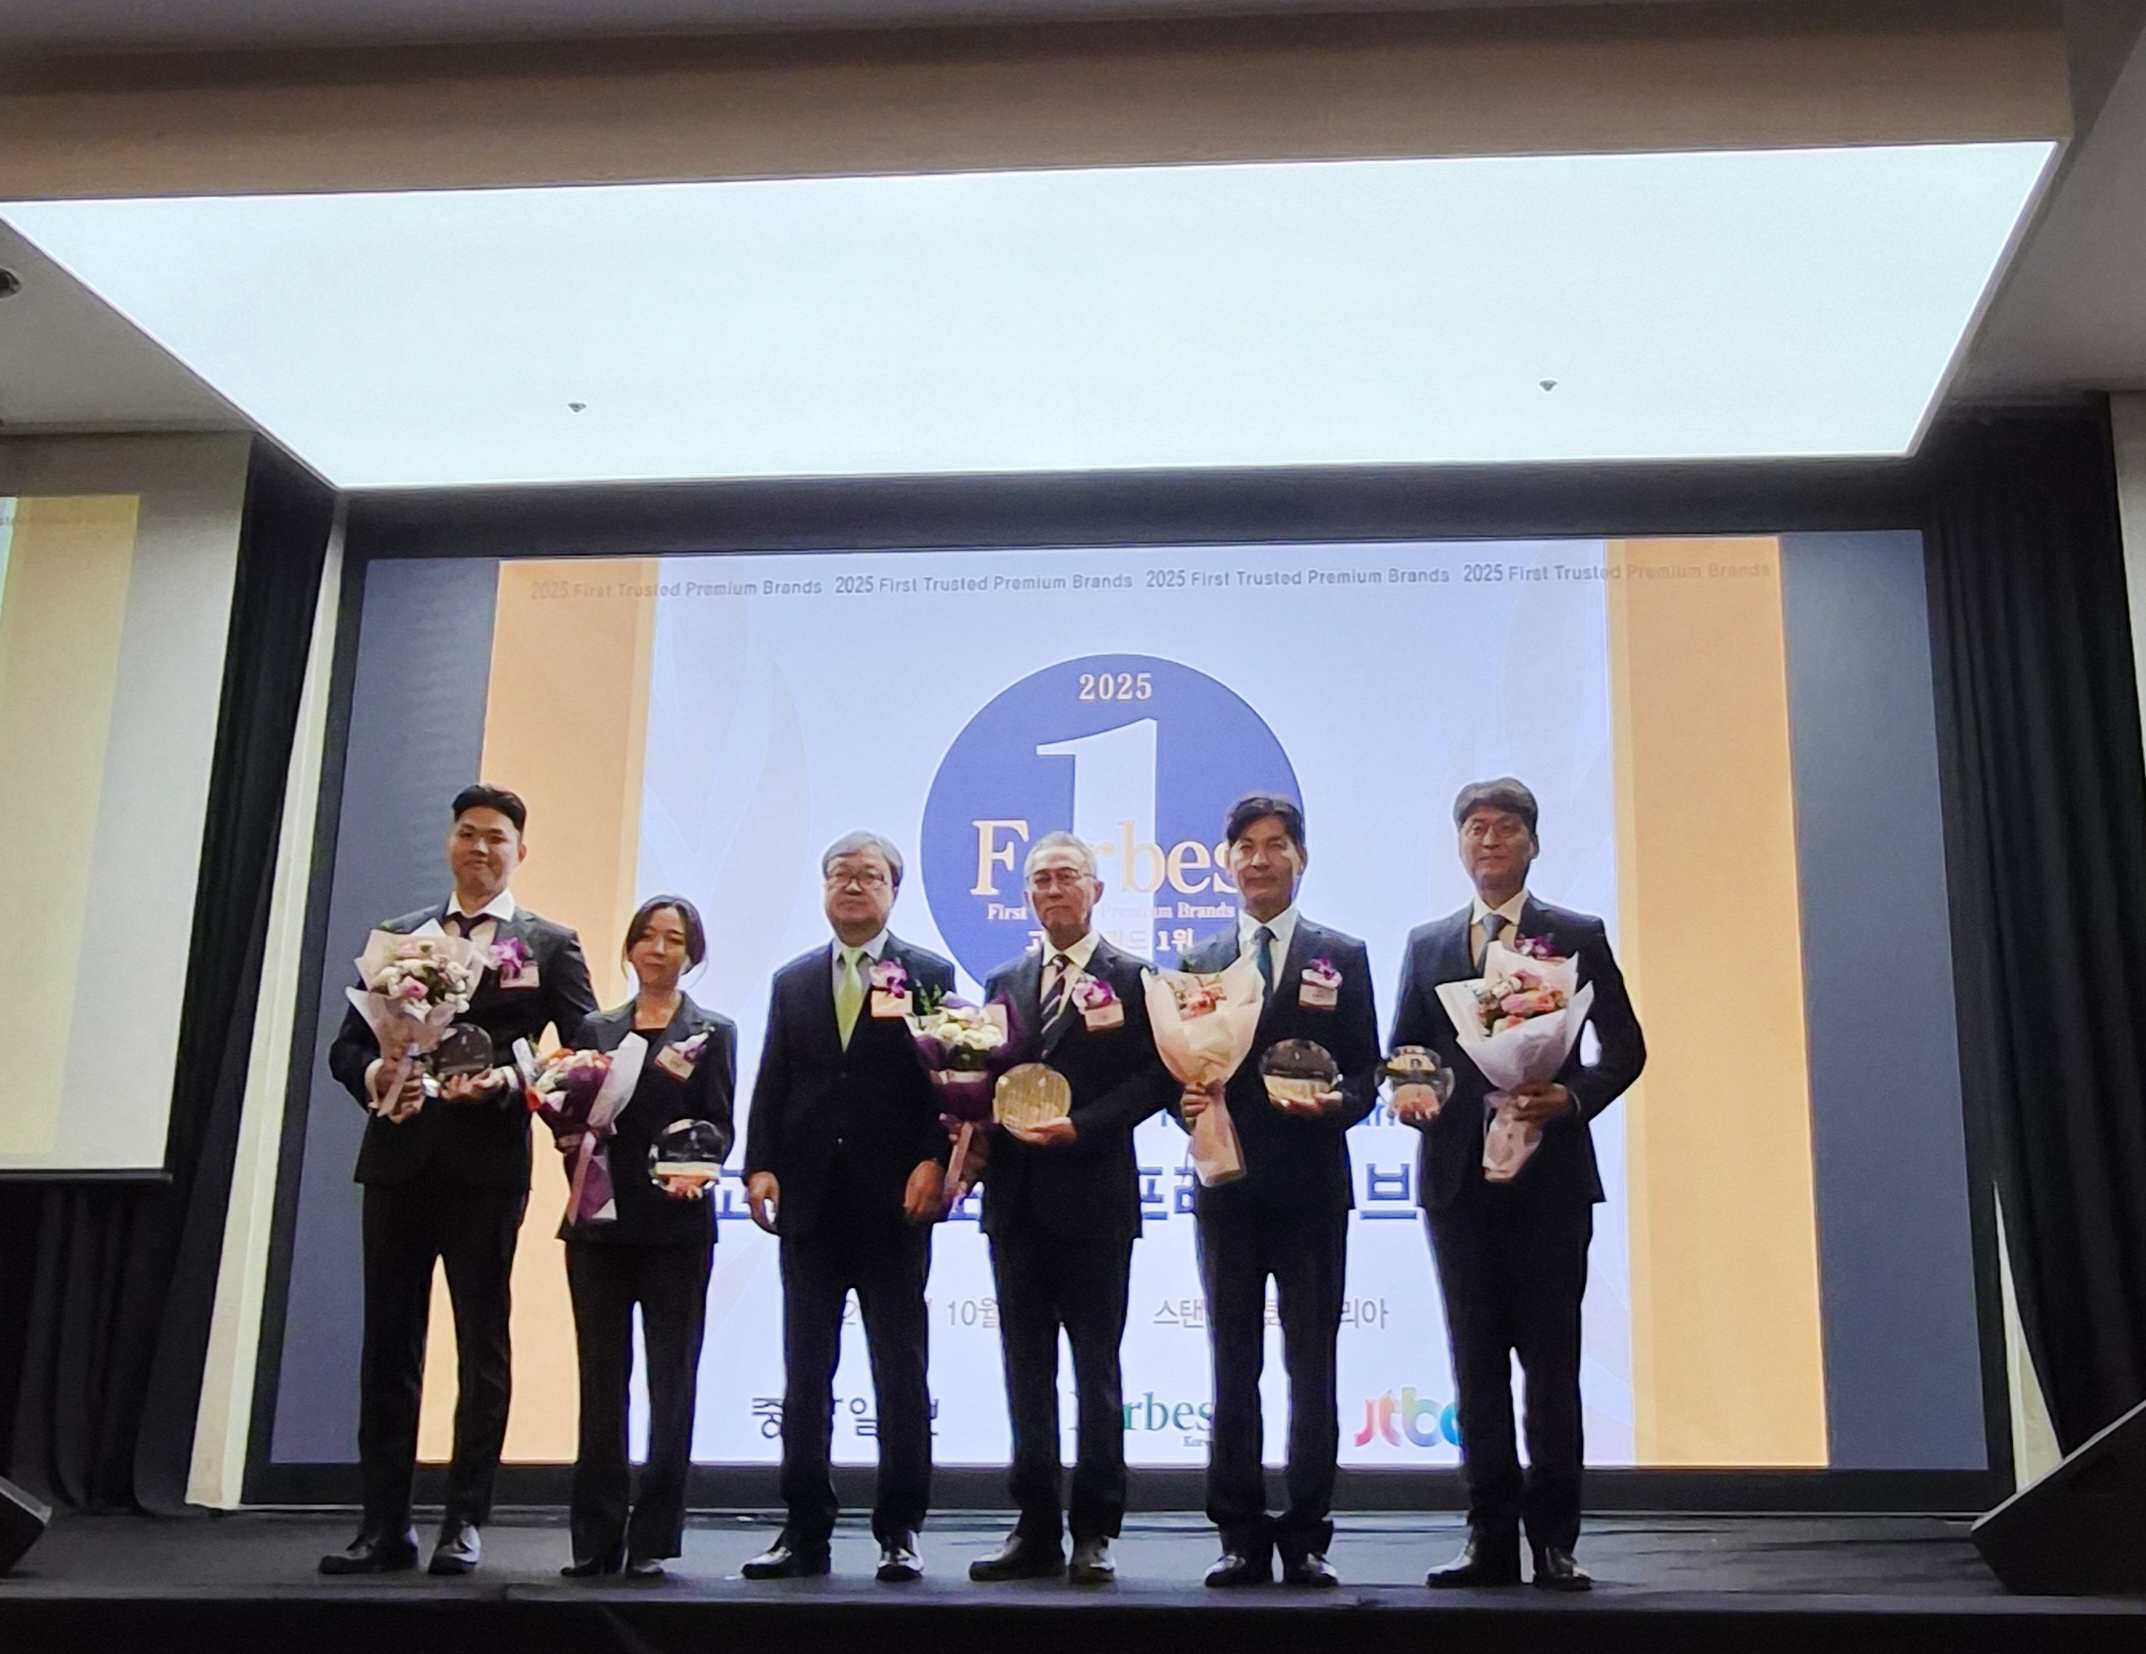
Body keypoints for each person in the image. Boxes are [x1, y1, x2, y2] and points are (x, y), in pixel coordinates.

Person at [321, 783, 597, 1577]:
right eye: (468, 833)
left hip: (486, 1169)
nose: (481, 848)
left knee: (482, 1345)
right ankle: (383, 1526)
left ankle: (464, 1521)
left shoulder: (549, 943)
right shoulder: (401, 936)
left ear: (520, 851)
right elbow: (346, 1048)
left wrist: (510, 1081)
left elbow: (584, 1051)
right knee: (389, 1346)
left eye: (496, 837)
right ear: (449, 841)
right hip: (398, 1160)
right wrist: (378, 1075)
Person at [1388, 778, 1646, 1592]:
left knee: (1551, 1366)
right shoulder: (1429, 944)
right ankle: (1488, 1539)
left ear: (1533, 843)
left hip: (1551, 1184)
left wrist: (1569, 1098)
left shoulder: (1575, 934)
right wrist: (1412, 1091)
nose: (1489, 842)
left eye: (1505, 829)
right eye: (1475, 829)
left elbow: (1625, 1050)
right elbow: (1407, 1050)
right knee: (1476, 1368)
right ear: (1460, 845)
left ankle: (1556, 1542)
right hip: (1458, 1185)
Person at [1175, 795, 1380, 1589]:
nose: (1259, 860)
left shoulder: (1342, 955)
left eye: (1276, 845)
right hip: (1226, 1187)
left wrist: (1339, 1104)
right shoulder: (1197, 960)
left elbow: (1366, 1070)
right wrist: (1183, 1104)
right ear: (1228, 862)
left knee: (1311, 1364)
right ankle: (1237, 1534)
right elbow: (1176, 1071)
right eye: (1246, 847)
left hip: (1312, 1189)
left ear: (1301, 857)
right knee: (1233, 1363)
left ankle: (1306, 1536)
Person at [739, 832, 955, 1584]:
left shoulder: (927, 974)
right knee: (806, 1373)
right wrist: (759, 1164)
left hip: (895, 1202)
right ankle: (804, 1529)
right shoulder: (793, 980)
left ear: (894, 891)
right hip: (810, 1203)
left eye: (870, 876)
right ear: (825, 887)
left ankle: (900, 1529)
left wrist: (935, 1158)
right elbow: (773, 1080)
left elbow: (948, 1080)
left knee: (900, 1368)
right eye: (841, 874)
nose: (854, 886)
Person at [968, 833, 1176, 1586]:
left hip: (1094, 1201)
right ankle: (1033, 1527)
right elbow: (984, 1077)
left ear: (1095, 890)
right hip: (1016, 1204)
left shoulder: (1136, 978)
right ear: (1026, 896)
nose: (1052, 891)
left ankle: (1094, 1529)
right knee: (1025, 1373)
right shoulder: (1003, 981)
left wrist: (1081, 1126)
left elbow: (1156, 1078)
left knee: (1097, 1373)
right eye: (1039, 881)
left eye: (1066, 877)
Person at [557, 896, 736, 1580]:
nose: (660, 950)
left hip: (676, 1231)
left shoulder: (712, 1031)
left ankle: (654, 1539)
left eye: (675, 939)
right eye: (649, 937)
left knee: (672, 1382)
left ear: (693, 953)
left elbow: (719, 1124)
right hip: (599, 1228)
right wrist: (568, 1134)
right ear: (630, 948)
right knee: (600, 1384)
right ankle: (595, 1539)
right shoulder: (594, 1028)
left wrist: (697, 1168)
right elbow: (572, 1116)